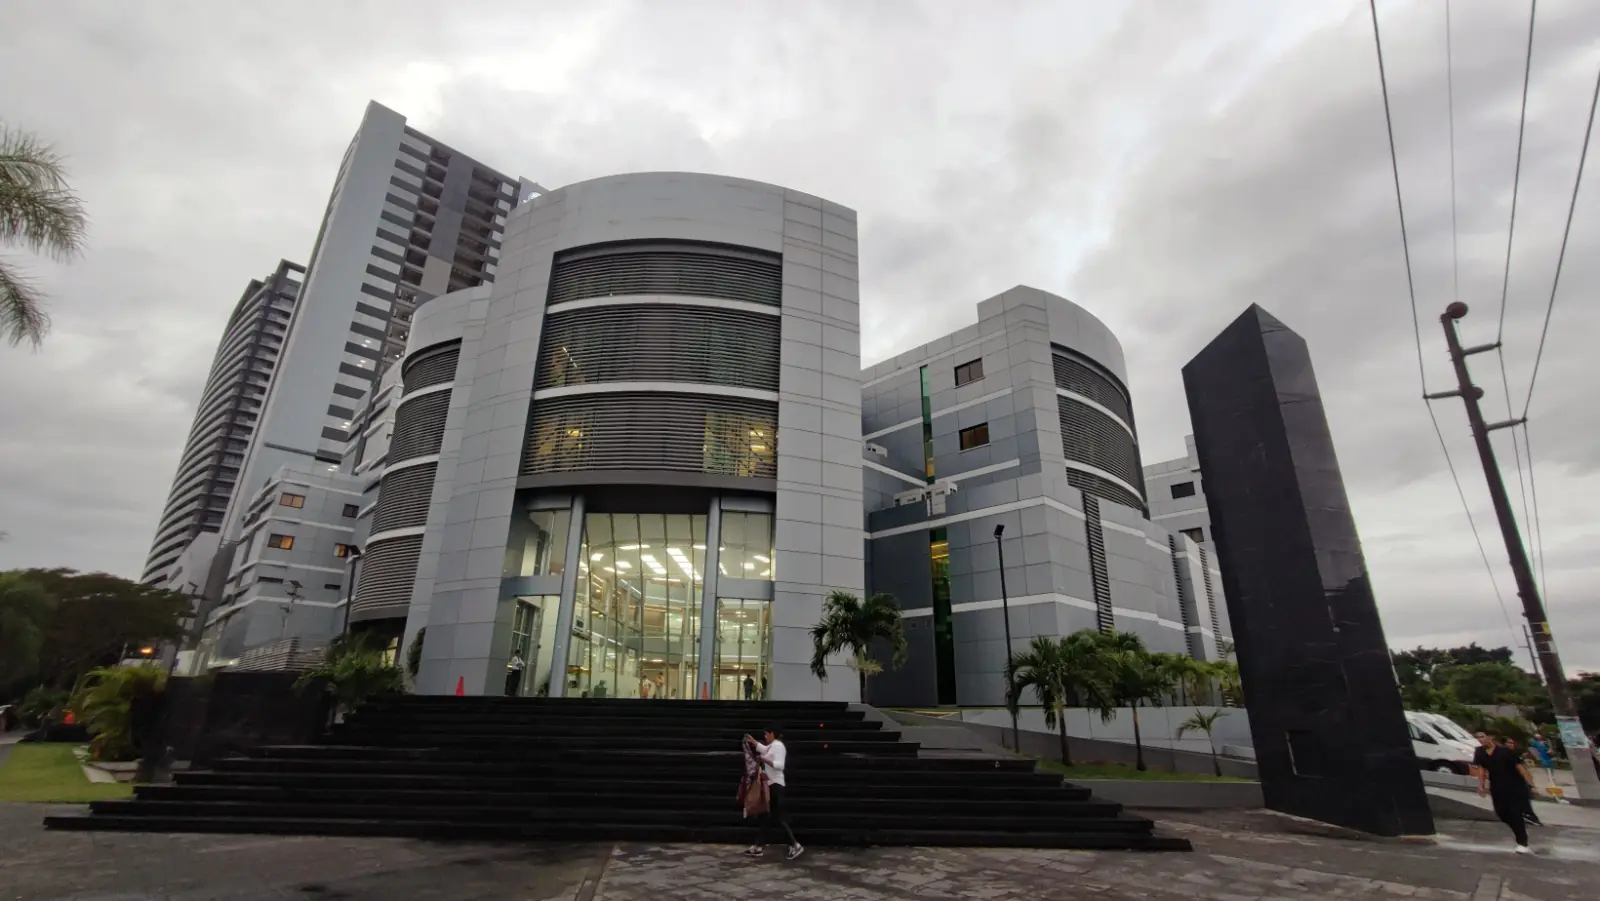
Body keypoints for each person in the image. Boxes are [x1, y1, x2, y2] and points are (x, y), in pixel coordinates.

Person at [743, 726, 803, 860]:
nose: (765, 737)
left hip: (776, 785)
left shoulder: (778, 746)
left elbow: (779, 765)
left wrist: (764, 760)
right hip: (771, 785)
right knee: (766, 816)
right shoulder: (772, 746)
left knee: (777, 817)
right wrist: (753, 742)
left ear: (772, 734)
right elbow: (764, 749)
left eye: (766, 734)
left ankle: (795, 844)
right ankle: (758, 846)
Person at [1474, 732, 1534, 853]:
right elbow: (1481, 769)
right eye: (1478, 738)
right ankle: (1520, 829)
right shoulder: (1479, 752)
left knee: (1514, 812)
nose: (1480, 740)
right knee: (1501, 813)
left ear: (1490, 737)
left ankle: (1522, 842)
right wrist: (1481, 785)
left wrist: (1531, 785)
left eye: (1482, 737)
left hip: (1514, 786)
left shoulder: (1505, 751)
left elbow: (1520, 768)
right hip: (1496, 786)